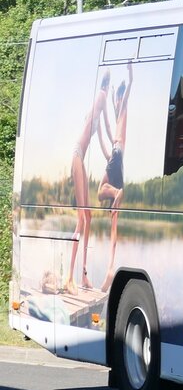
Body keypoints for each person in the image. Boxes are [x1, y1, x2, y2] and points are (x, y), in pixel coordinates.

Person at [66, 70, 113, 294]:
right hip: (77, 155)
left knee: (89, 216)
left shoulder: (98, 100)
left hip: (80, 158)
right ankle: (69, 278)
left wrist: (109, 154)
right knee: (81, 219)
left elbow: (101, 132)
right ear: (107, 83)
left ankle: (83, 275)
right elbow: (106, 130)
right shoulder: (102, 97)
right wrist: (111, 152)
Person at [97, 69, 132, 291]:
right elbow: (110, 129)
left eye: (119, 99)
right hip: (119, 162)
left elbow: (126, 94)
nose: (118, 102)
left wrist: (130, 74)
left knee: (101, 191)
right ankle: (110, 269)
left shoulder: (123, 111)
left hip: (117, 155)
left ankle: (116, 193)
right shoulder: (119, 114)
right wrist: (110, 99)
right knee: (113, 223)